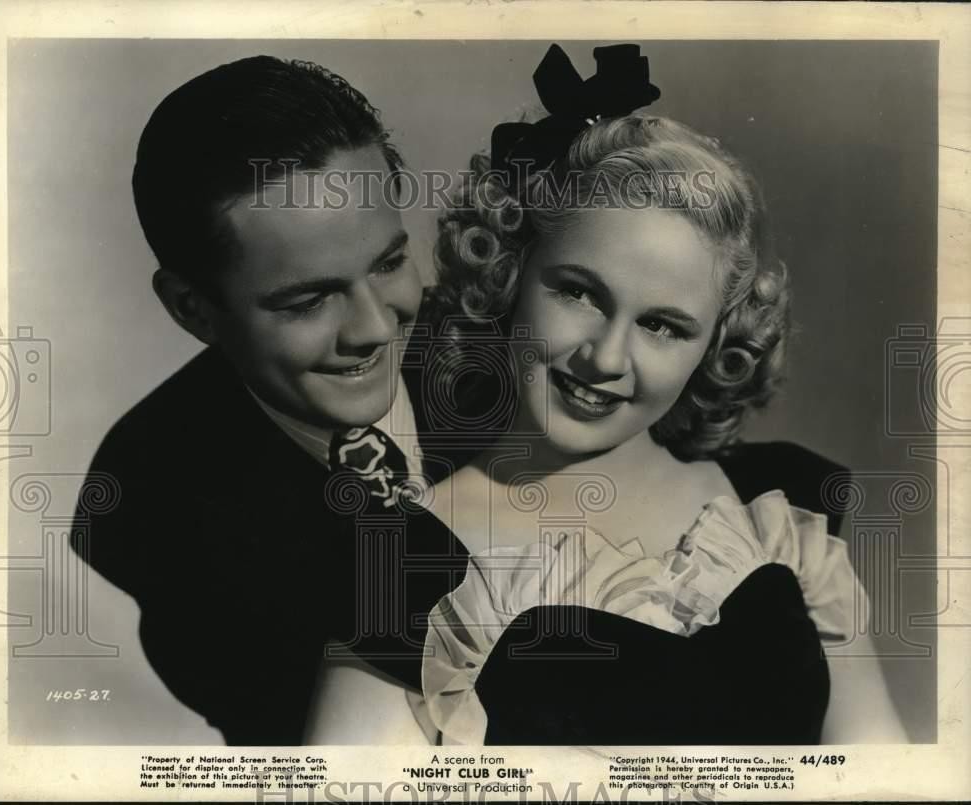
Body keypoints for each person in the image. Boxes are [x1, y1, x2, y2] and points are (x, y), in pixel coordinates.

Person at [309, 43, 908, 745]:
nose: (606, 357)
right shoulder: (409, 560)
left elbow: (880, 770)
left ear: (715, 343)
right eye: (579, 293)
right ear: (508, 271)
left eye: (662, 325)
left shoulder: (780, 509)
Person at [69, 55, 470, 745]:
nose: (376, 326)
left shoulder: (510, 345)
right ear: (193, 309)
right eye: (309, 299)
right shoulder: (146, 505)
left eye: (389, 262)